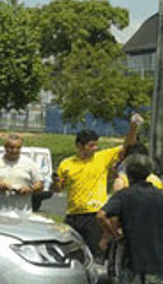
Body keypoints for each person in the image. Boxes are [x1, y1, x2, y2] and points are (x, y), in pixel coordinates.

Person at [53, 113, 142, 264]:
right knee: (70, 255)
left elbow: (128, 145)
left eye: (96, 144)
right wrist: (55, 182)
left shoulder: (102, 157)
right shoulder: (66, 164)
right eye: (91, 145)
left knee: (92, 255)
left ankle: (91, 283)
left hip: (93, 215)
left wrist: (133, 126)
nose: (95, 148)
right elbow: (57, 189)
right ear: (80, 146)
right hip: (73, 215)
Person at [97, 154, 163, 284]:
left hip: (131, 260)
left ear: (128, 173)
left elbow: (101, 215)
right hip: (158, 260)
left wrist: (115, 234)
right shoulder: (160, 195)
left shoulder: (124, 195)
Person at [0, 134, 43, 214]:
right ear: (5, 147)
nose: (14, 150)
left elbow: (40, 184)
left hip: (23, 213)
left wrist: (30, 188)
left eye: (18, 148)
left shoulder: (29, 163)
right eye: (11, 147)